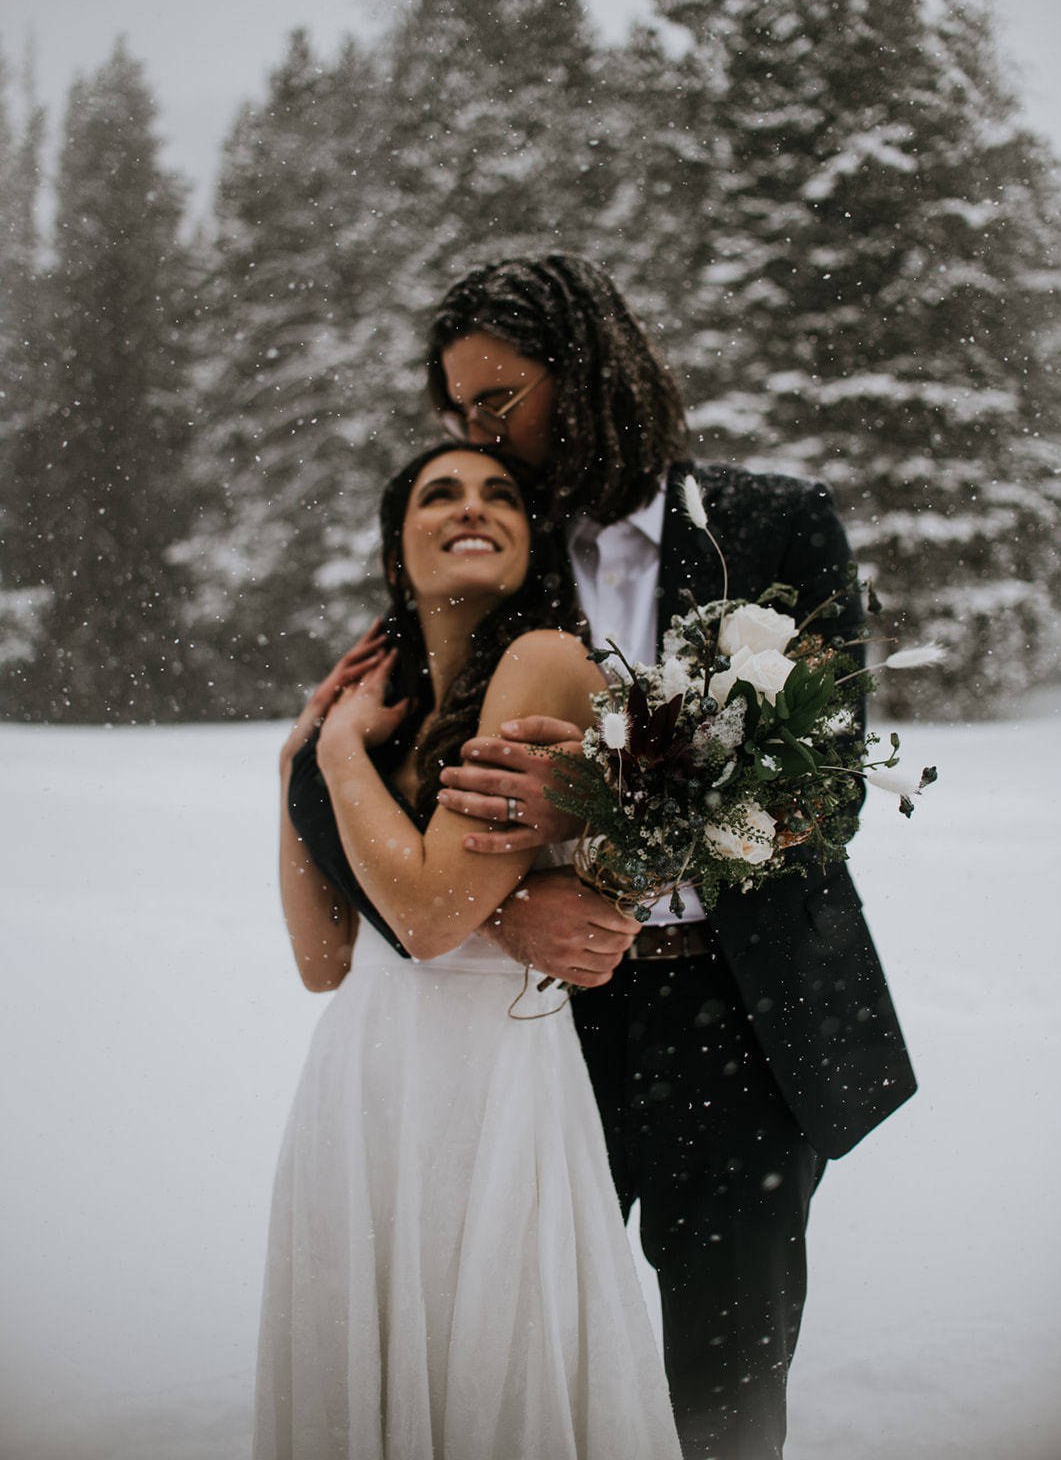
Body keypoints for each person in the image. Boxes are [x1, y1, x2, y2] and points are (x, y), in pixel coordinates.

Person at [424, 255, 918, 1460]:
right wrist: (509, 914)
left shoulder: (776, 524)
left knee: (730, 1388)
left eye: (500, 401)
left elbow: (830, 788)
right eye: (459, 414)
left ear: (586, 370)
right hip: (542, 1021)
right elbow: (409, 783)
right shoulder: (486, 551)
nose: (483, 436)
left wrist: (602, 797)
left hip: (744, 1017)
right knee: (527, 1370)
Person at [255, 442, 683, 1460]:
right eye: (438, 494)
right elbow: (324, 957)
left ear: (533, 542)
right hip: (362, 1076)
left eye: (500, 495)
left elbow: (430, 918)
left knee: (496, 1364)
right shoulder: (381, 702)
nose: (471, 507)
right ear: (396, 552)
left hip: (490, 1075)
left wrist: (329, 753)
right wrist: (296, 761)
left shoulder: (542, 657)